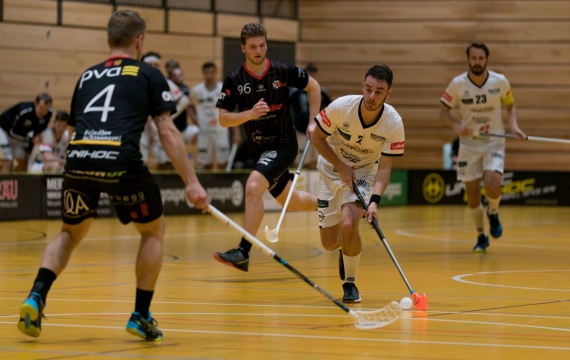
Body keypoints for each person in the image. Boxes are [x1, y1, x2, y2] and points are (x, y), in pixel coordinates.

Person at [17, 10, 209, 341]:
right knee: (152, 232)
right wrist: (192, 182)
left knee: (69, 233)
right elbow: (167, 131)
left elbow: (73, 131)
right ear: (140, 40)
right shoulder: (148, 74)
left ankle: (36, 294)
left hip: (78, 160)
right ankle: (140, 315)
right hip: (121, 161)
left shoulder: (87, 76)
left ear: (108, 41)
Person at [213, 22, 320, 272]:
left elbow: (313, 87)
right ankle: (332, 205)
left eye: (262, 45)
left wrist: (314, 121)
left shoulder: (283, 71)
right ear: (243, 48)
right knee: (290, 202)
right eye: (252, 46)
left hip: (283, 145)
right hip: (258, 151)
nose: (258, 50)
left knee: (253, 188)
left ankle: (243, 251)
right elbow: (223, 118)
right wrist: (249, 114)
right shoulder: (235, 79)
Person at [309, 64, 405, 303]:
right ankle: (346, 248)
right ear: (362, 86)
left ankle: (349, 283)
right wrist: (340, 166)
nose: (372, 97)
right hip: (331, 170)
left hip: (364, 173)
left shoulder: (393, 123)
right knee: (330, 242)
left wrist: (374, 202)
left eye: (379, 92)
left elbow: (384, 168)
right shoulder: (341, 107)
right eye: (368, 89)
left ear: (388, 93)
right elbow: (316, 137)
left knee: (349, 223)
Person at [439, 41, 526, 253]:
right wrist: (455, 125)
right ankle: (481, 235)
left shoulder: (500, 81)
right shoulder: (457, 84)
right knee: (473, 194)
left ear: (486, 59)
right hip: (468, 145)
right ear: (468, 59)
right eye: (473, 58)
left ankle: (493, 213)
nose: (477, 62)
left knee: (493, 183)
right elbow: (443, 110)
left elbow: (510, 105)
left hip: (493, 141)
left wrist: (514, 126)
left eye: (481, 58)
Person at [192, 62, 241, 170]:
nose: (209, 75)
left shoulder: (223, 89)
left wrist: (236, 133)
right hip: (204, 133)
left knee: (223, 163)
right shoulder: (196, 90)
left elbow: (231, 110)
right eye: (206, 73)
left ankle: (222, 187)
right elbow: (189, 105)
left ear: (215, 73)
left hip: (221, 132)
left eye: (211, 72)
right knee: (206, 164)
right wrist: (195, 120)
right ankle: (207, 187)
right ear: (203, 73)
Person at [290, 63, 332, 169]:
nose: (311, 75)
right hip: (300, 131)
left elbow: (330, 109)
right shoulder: (296, 91)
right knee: (299, 160)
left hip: (316, 131)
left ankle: (312, 184)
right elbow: (286, 108)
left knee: (316, 161)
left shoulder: (322, 92)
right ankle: (300, 183)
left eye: (313, 73)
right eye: (309, 73)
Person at [0, 93, 53, 173]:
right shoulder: (24, 111)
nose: (43, 112)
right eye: (41, 108)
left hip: (19, 136)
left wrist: (35, 138)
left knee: (24, 161)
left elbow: (39, 131)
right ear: (36, 104)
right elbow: (12, 132)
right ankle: (5, 184)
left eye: (46, 109)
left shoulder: (48, 114)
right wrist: (31, 139)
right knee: (8, 161)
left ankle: (20, 184)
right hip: (3, 130)